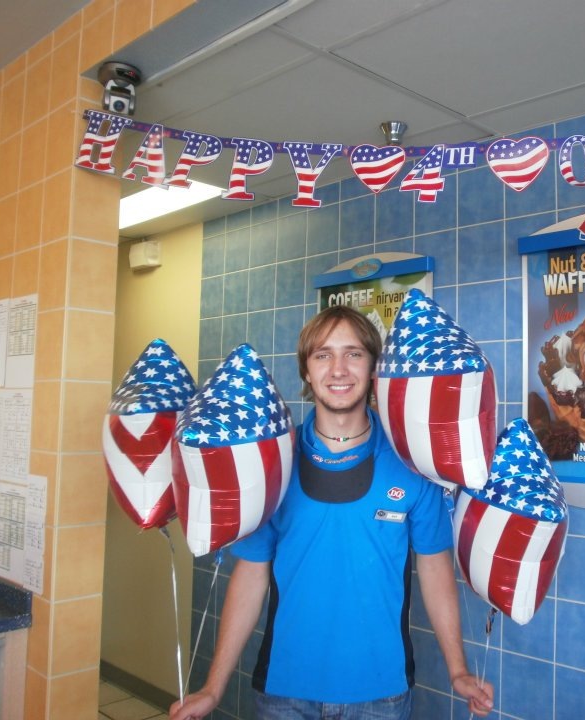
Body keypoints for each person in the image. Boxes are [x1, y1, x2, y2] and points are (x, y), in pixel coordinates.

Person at [170, 305, 494, 720]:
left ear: (374, 368)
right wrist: (213, 688)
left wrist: (458, 670)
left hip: (381, 695)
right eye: (323, 355)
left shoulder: (411, 463)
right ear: (307, 371)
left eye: (353, 354)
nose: (338, 369)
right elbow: (250, 575)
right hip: (284, 694)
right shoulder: (274, 464)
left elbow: (435, 569)